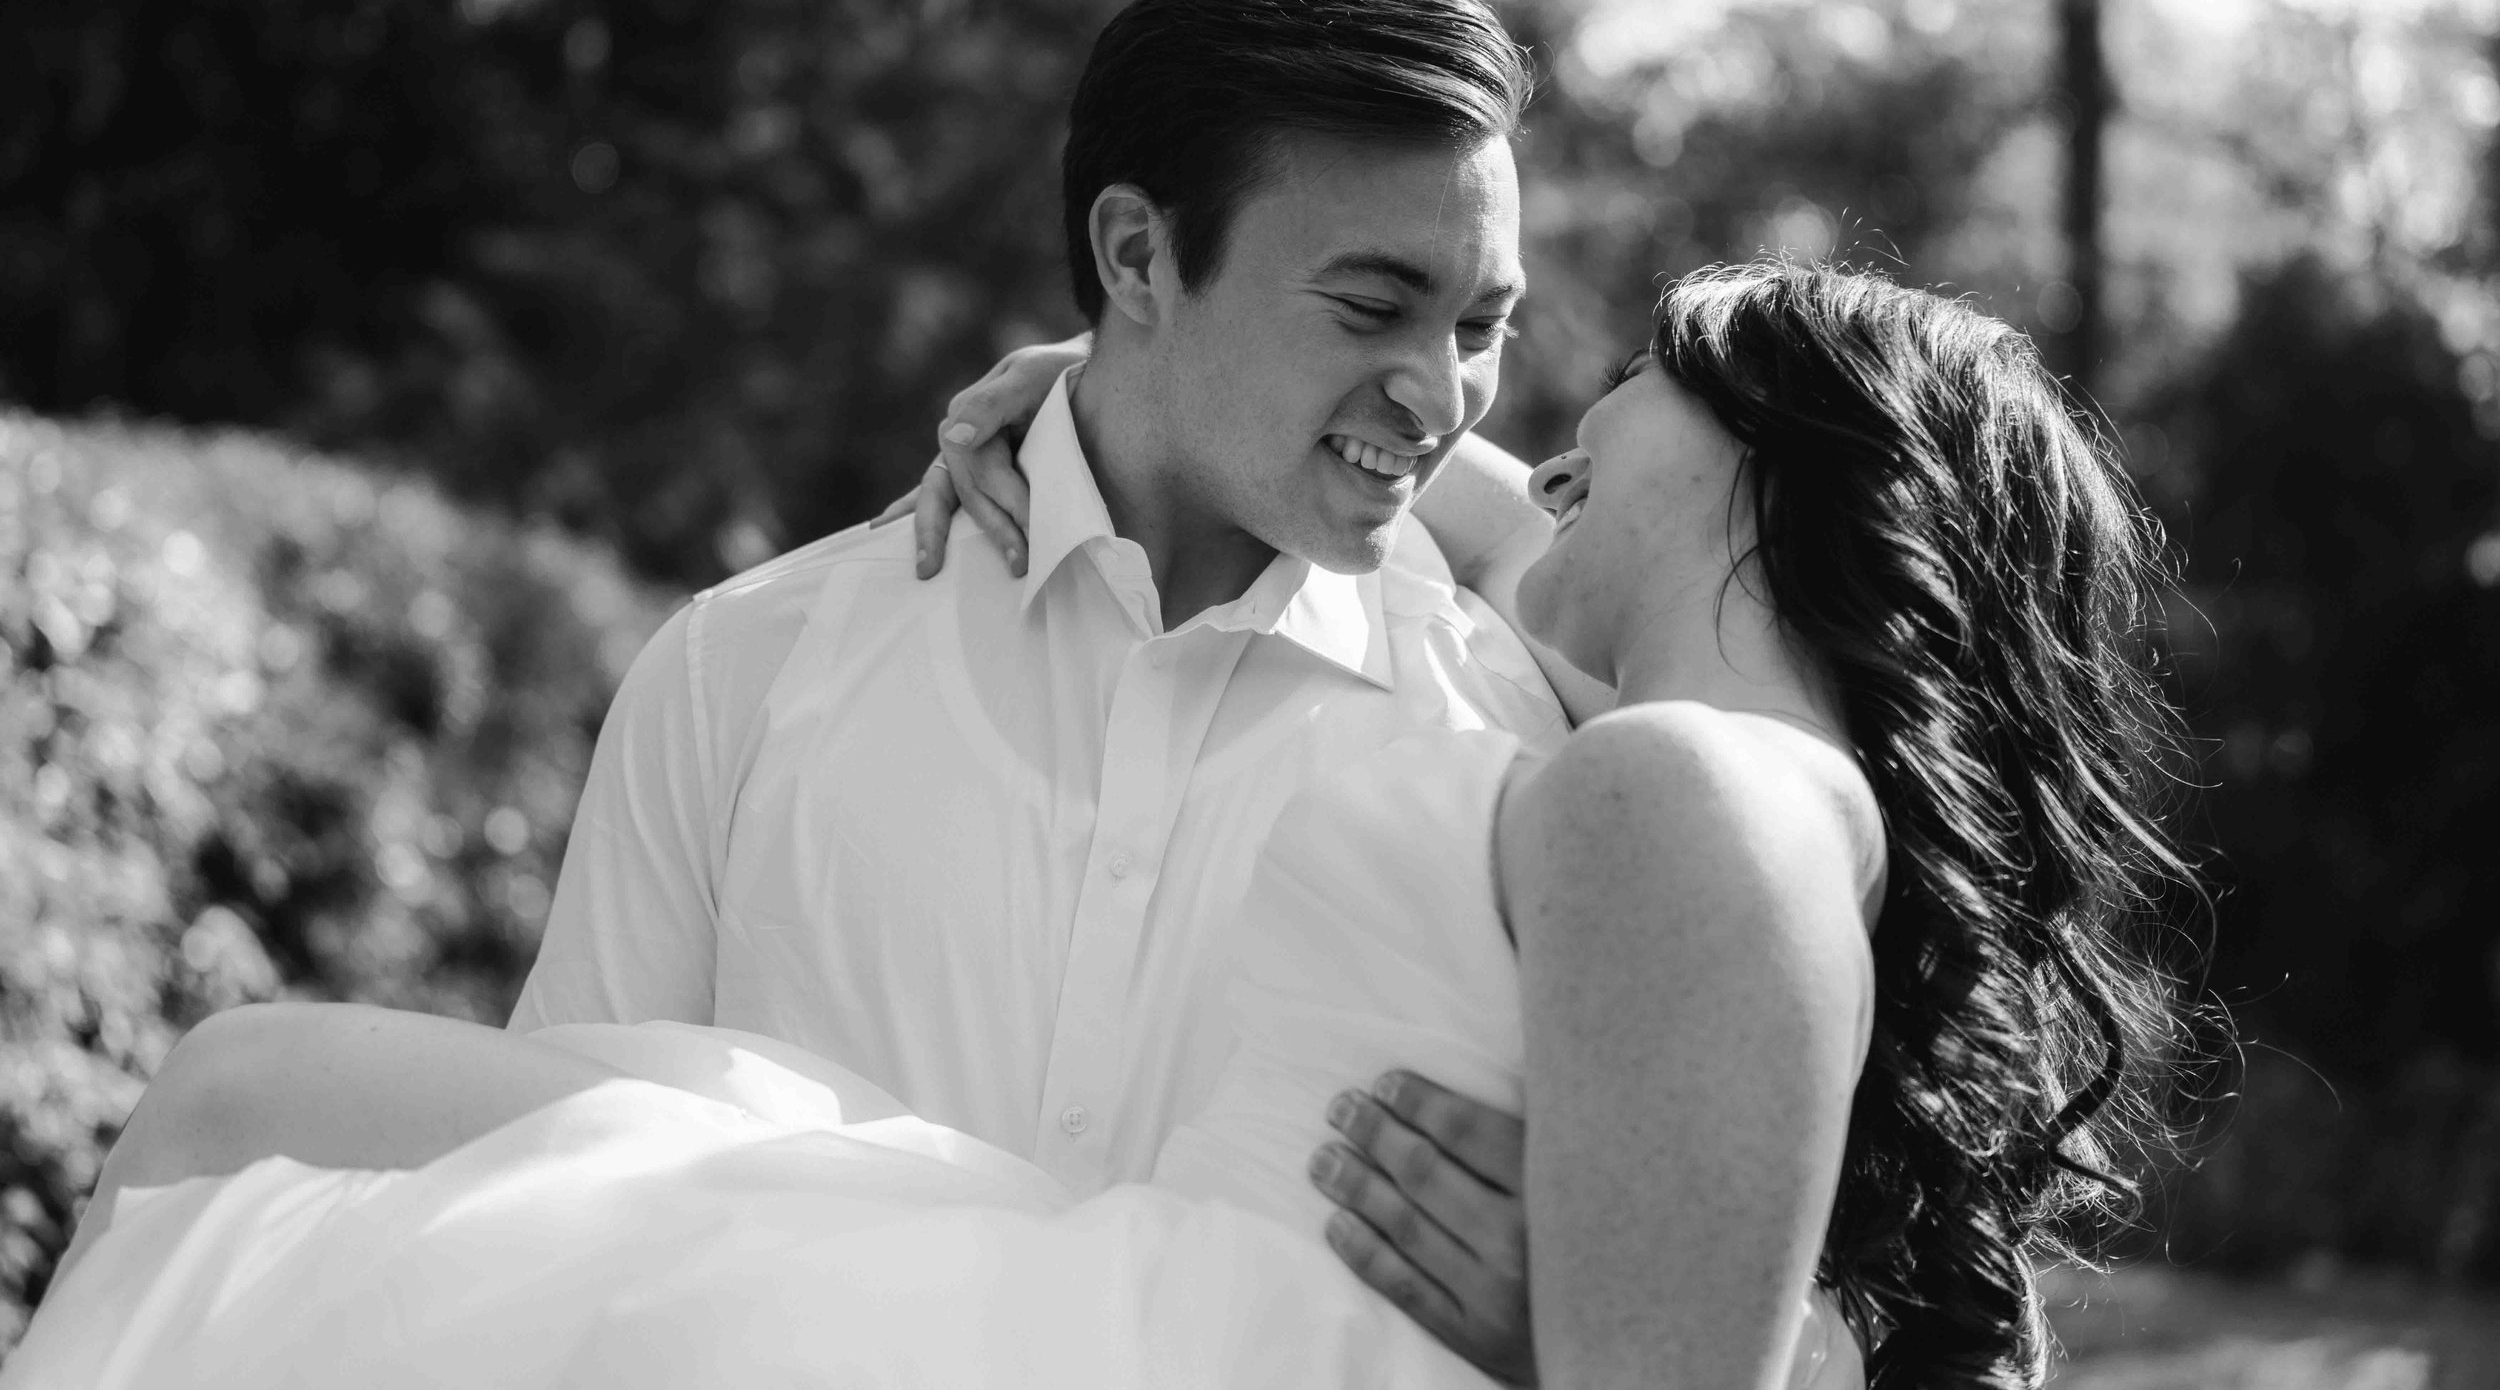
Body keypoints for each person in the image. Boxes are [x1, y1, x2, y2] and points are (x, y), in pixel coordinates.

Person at [7, 261, 2198, 1390]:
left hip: (1177, 1350)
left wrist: (1585, 1341)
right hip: (1125, 1304)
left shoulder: (1674, 779)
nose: (1552, 423)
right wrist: (1118, 374)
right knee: (250, 1097)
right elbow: (1445, 466)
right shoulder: (1636, 737)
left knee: (248, 1110)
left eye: (1630, 378)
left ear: (1754, 476)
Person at [501, 0, 1594, 1377]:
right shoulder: (744, 672)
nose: (1439, 391)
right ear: (1137, 253)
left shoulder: (1518, 755)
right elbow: (535, 1211)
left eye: (1480, 324)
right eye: (1371, 306)